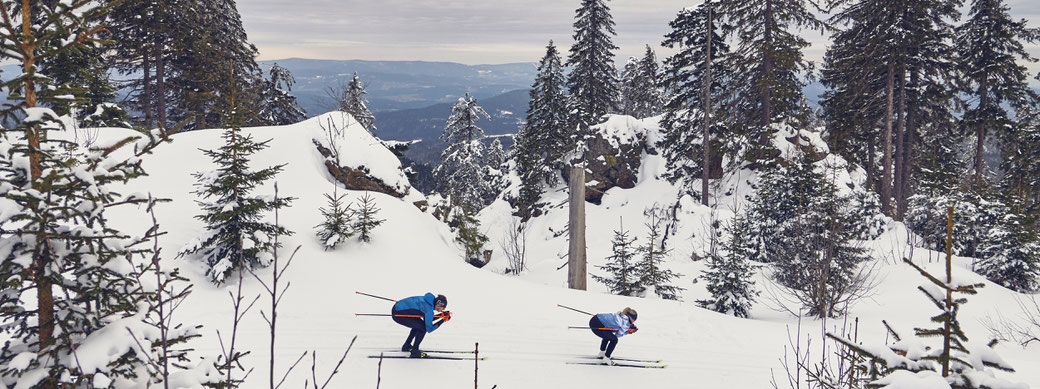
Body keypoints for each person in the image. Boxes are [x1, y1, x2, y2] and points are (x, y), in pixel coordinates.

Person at [391, 293, 450, 358]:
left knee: (419, 324)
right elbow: (429, 328)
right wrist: (443, 320)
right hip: (398, 315)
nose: (443, 310)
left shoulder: (428, 300)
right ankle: (415, 351)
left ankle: (406, 346)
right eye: (443, 308)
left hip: (398, 309)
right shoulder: (428, 309)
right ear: (439, 305)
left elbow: (428, 319)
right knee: (423, 328)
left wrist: (441, 315)